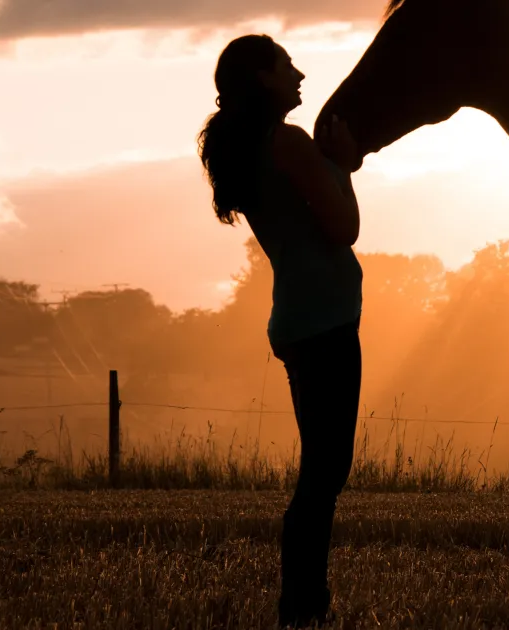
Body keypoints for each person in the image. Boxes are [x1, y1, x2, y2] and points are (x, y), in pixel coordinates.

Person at [197, 34, 363, 628]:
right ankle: (302, 605)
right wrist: (344, 165)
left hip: (300, 319)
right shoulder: (287, 143)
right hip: (324, 323)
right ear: (264, 78)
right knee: (325, 473)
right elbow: (343, 227)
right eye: (285, 64)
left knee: (322, 469)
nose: (298, 73)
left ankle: (304, 602)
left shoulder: (257, 147)